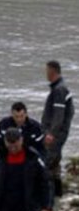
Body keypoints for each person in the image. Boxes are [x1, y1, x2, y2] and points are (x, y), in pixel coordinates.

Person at [0, 102, 45, 174]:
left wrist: (44, 164)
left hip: (28, 159)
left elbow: (41, 148)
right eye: (16, 117)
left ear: (26, 114)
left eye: (21, 116)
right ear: (12, 115)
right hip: (6, 158)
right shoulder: (4, 124)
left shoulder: (35, 127)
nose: (19, 119)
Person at [41, 60, 74, 200]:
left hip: (55, 135)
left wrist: (51, 134)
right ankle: (57, 195)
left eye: (46, 70)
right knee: (55, 165)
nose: (45, 73)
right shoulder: (59, 88)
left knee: (47, 163)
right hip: (58, 134)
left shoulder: (59, 90)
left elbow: (59, 116)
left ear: (52, 71)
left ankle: (46, 198)